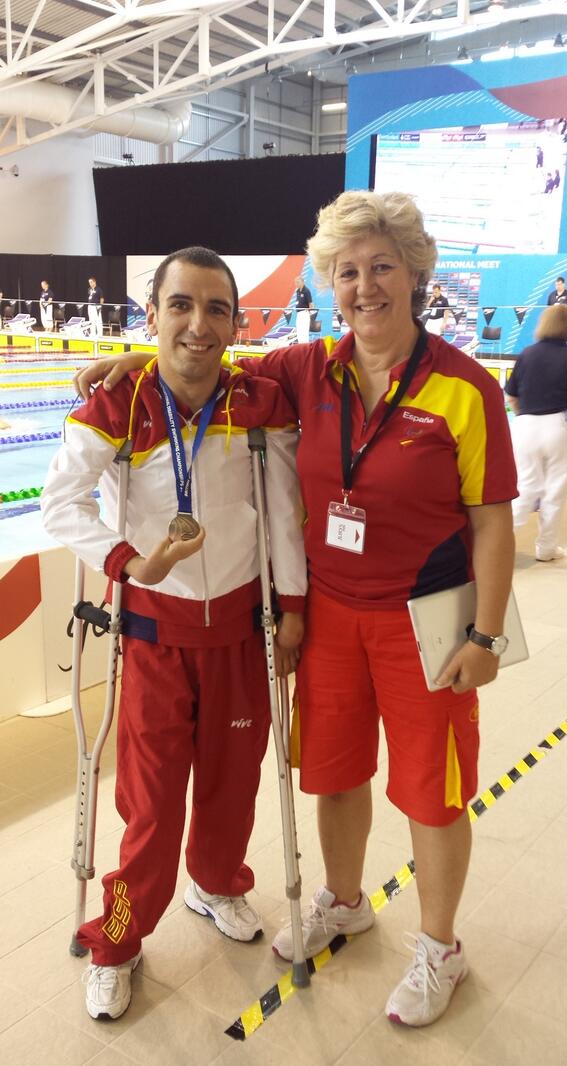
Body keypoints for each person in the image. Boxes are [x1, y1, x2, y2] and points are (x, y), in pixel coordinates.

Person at [74, 191, 517, 1029]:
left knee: (431, 794)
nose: (364, 286)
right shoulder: (308, 366)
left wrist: (486, 635)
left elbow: (493, 522)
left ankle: (439, 949)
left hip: (427, 618)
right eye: (347, 271)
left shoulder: (465, 389)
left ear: (416, 275)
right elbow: (204, 362)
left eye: (382, 267)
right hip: (329, 618)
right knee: (337, 776)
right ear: (330, 285)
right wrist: (141, 362)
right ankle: (343, 901)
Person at [42, 246, 306, 1021]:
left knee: (234, 784)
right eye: (180, 306)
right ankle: (118, 939)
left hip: (240, 632)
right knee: (152, 808)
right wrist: (129, 563)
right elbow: (61, 505)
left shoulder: (260, 402)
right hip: (154, 639)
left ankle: (217, 882)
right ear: (150, 314)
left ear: (235, 321)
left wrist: (292, 609)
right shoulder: (116, 407)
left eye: (216, 308)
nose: (198, 324)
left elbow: (283, 512)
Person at [505, 303, 567, 561]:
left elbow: (511, 396)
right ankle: (546, 549)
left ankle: (501, 546)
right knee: (555, 490)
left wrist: (525, 413)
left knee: (524, 487)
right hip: (560, 427)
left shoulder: (526, 354)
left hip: (525, 426)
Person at [294, 275, 314, 344]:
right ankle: (300, 346)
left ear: (302, 282)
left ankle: (305, 347)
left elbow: (311, 304)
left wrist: (309, 311)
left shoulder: (306, 291)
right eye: (295, 282)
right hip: (299, 313)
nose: (296, 284)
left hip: (305, 313)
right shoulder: (297, 291)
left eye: (298, 282)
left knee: (304, 331)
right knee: (299, 331)